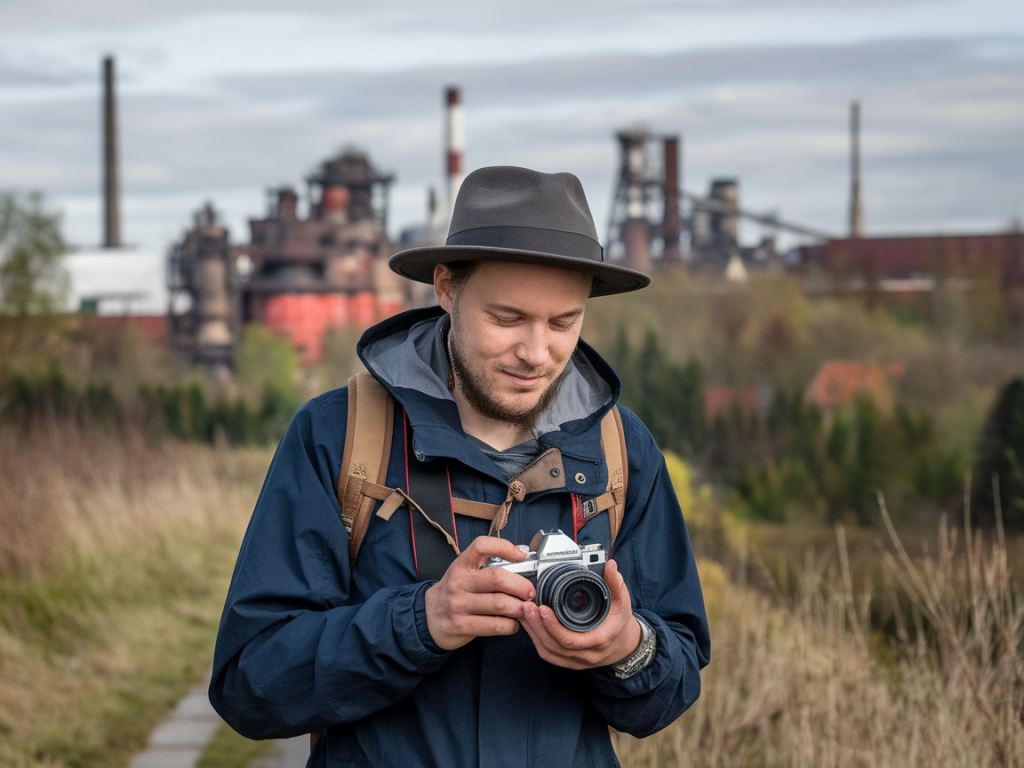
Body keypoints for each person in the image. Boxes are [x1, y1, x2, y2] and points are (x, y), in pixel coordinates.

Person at [209, 166, 710, 767]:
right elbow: (250, 684)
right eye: (507, 318)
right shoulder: (338, 435)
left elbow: (672, 688)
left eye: (563, 323)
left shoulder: (621, 452)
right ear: (446, 288)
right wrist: (420, 621)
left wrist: (627, 649)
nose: (535, 352)